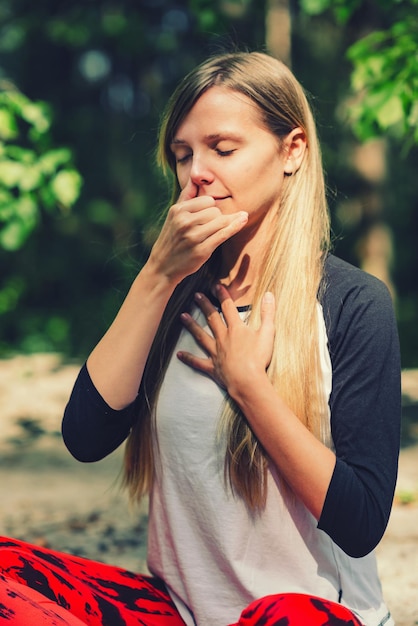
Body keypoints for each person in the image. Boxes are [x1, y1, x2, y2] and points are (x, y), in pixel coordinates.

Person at [0, 51, 401, 626]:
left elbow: (361, 523)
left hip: (308, 616)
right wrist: (159, 275)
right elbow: (86, 437)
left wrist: (249, 387)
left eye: (223, 148)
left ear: (292, 151)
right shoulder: (170, 295)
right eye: (182, 155)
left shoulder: (353, 303)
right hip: (178, 614)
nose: (197, 173)